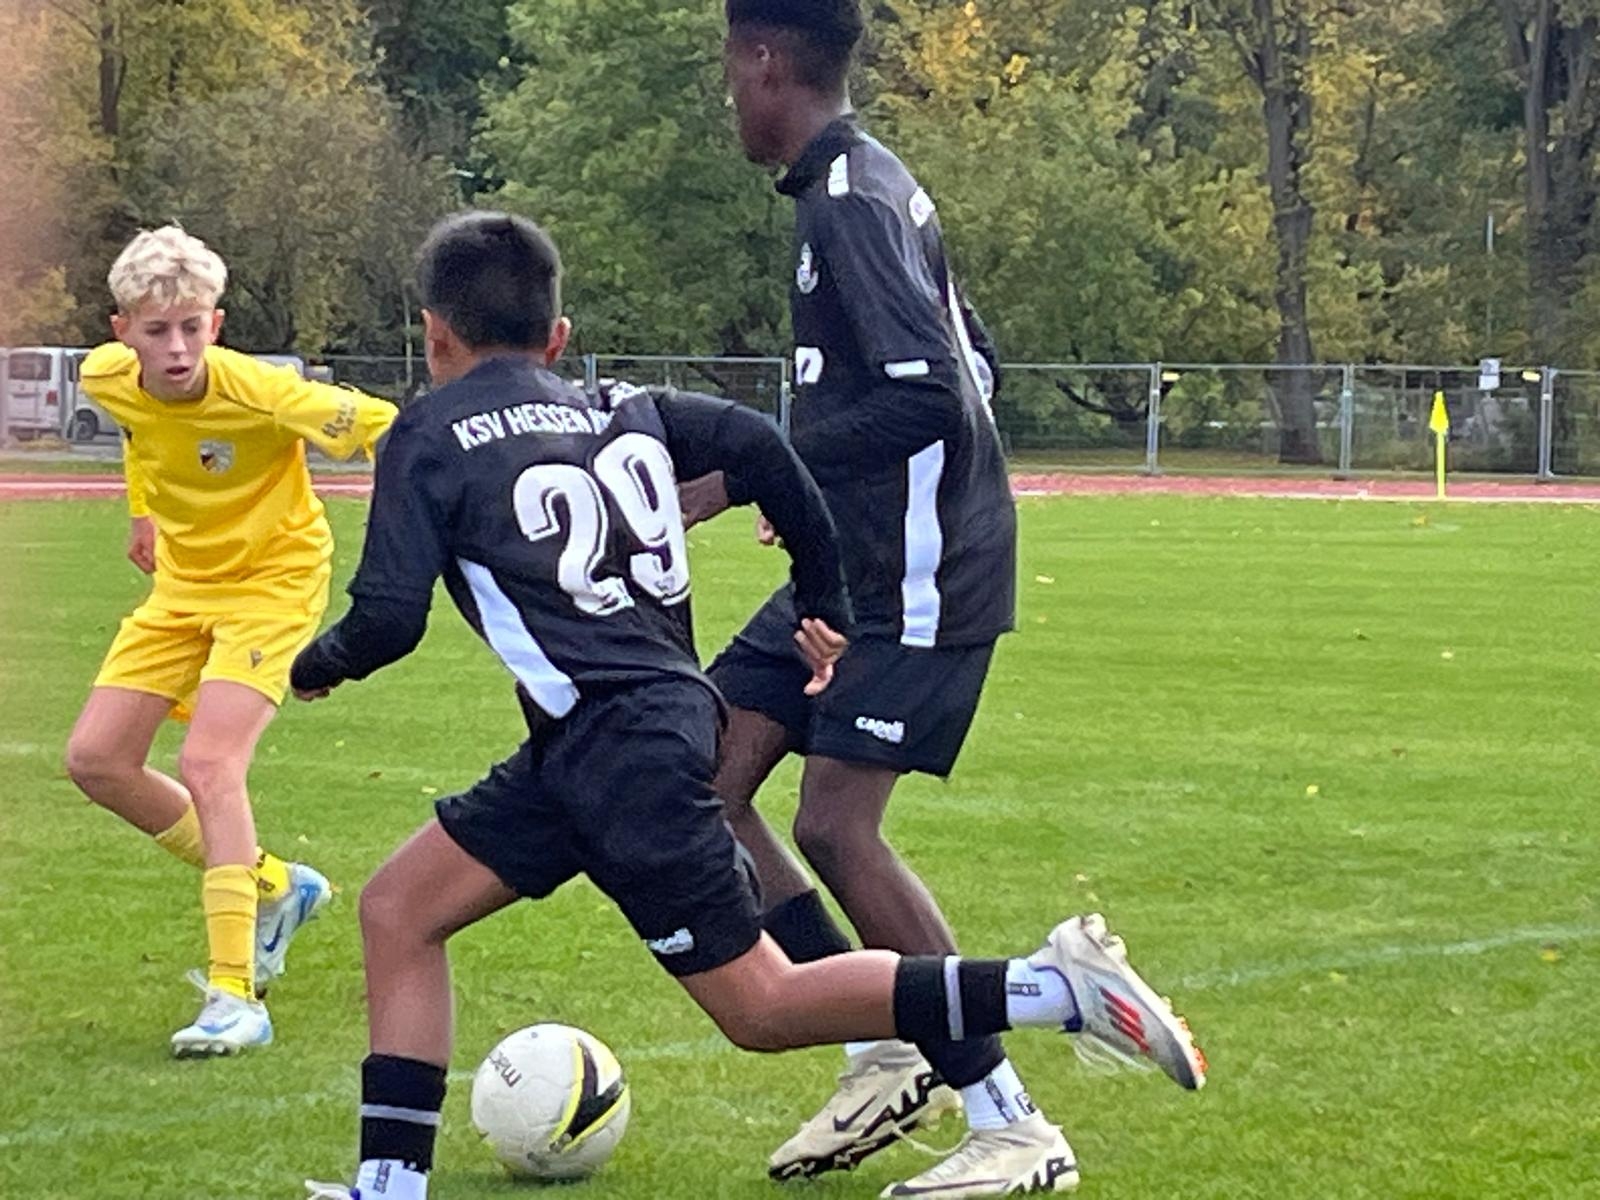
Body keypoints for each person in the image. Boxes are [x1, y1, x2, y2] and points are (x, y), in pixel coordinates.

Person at [292, 211, 1204, 1200]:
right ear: (557, 338)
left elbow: (389, 618)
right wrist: (824, 599)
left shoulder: (428, 432)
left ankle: (1053, 988)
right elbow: (762, 443)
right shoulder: (623, 407)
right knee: (399, 908)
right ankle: (388, 1187)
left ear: (433, 336)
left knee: (764, 1005)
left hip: (621, 755)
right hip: (607, 740)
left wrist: (316, 664)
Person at [682, 2, 1110, 1193]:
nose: (730, 95)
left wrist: (752, 472)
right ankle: (879, 1037)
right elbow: (976, 363)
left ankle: (1012, 1121)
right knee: (698, 776)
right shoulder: (864, 184)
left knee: (833, 825)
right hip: (854, 566)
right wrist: (818, 491)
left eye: (731, 70)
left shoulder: (855, 202)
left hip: (924, 573)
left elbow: (935, 397)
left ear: (766, 61)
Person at [62, 225, 398, 1057]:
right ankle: (276, 887)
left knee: (209, 764)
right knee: (97, 761)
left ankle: (235, 997)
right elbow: (139, 429)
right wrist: (142, 511)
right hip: (183, 587)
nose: (177, 349)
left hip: (273, 584)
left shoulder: (264, 392)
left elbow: (391, 428)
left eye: (192, 327)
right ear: (123, 332)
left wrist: (422, 536)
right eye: (157, 331)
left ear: (215, 323)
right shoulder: (105, 376)